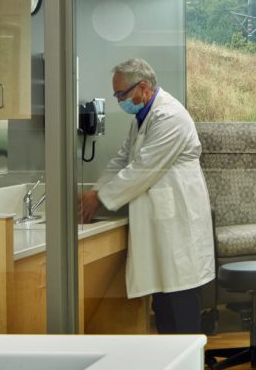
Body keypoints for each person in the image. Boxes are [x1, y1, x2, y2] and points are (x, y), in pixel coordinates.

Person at [79, 58, 215, 335]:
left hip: (178, 219)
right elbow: (123, 159)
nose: (118, 100)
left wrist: (101, 196)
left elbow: (145, 168)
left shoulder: (170, 116)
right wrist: (96, 190)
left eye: (121, 94)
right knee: (164, 304)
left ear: (142, 87)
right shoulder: (143, 117)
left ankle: (188, 364)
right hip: (161, 221)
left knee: (181, 303)